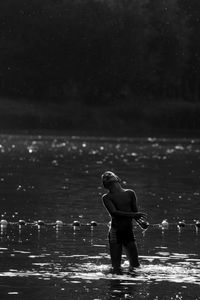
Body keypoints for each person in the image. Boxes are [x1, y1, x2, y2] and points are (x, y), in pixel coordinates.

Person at [101, 171, 147, 274]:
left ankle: (131, 286)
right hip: (115, 233)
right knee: (116, 267)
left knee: (135, 265)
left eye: (110, 176)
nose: (108, 177)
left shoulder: (130, 193)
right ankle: (116, 285)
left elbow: (135, 212)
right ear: (106, 185)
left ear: (117, 179)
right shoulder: (106, 197)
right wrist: (134, 215)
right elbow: (114, 213)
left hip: (128, 232)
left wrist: (141, 223)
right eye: (106, 178)